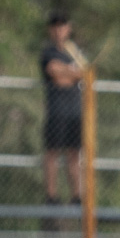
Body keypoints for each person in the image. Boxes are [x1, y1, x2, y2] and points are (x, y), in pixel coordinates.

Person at [38, 13, 86, 205]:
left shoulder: (74, 51)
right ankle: (51, 195)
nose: (59, 31)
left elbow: (85, 73)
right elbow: (56, 75)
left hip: (75, 110)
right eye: (55, 26)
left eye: (62, 26)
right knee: (53, 152)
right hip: (56, 109)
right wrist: (73, 73)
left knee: (75, 153)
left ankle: (77, 195)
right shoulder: (48, 52)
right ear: (50, 30)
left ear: (69, 28)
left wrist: (70, 73)